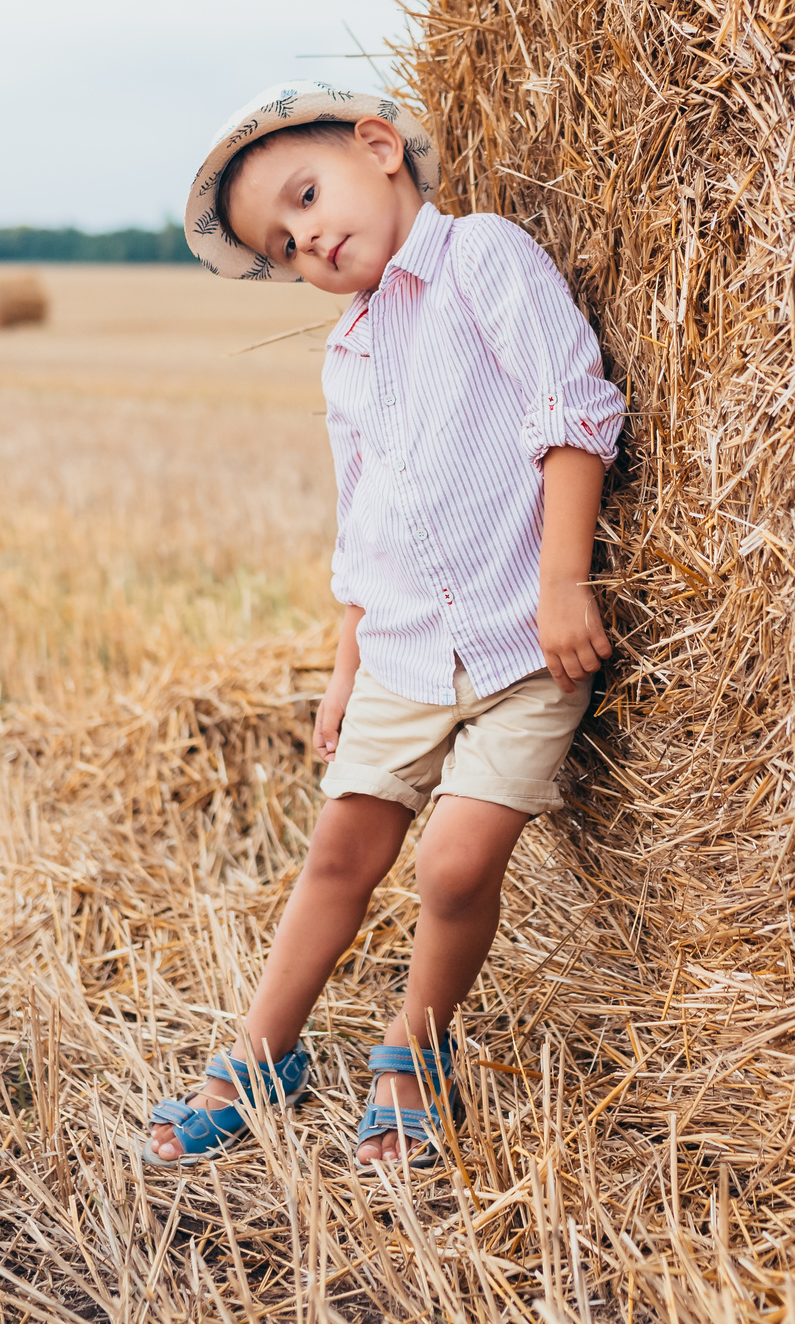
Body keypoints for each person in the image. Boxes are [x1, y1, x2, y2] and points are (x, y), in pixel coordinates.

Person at [143, 81, 622, 1170]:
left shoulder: (485, 258)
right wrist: (347, 661)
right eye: (284, 241)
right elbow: (364, 520)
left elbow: (570, 407)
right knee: (338, 854)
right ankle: (260, 1051)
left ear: (379, 149)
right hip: (402, 647)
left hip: (519, 646)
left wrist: (563, 579)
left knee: (454, 866)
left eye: (308, 196)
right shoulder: (346, 352)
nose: (308, 237)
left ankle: (415, 1047)